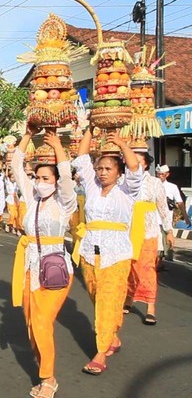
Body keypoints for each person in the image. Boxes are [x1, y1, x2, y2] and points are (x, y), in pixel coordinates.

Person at [71, 128, 143, 375]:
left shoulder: (126, 191)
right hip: (90, 251)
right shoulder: (91, 188)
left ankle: (100, 352)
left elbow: (135, 169)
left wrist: (122, 144)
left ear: (118, 172)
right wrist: (90, 131)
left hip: (116, 254)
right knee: (95, 295)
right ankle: (112, 335)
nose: (102, 173)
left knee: (108, 301)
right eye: (100, 169)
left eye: (108, 169)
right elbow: (81, 160)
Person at [11, 130, 76, 398]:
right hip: (30, 267)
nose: (39, 182)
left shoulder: (64, 202)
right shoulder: (31, 197)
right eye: (37, 177)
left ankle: (48, 379)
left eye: (46, 178)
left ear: (56, 182)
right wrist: (27, 136)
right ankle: (43, 368)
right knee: (30, 323)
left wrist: (58, 147)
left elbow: (67, 176)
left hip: (55, 269)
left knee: (41, 322)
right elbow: (16, 165)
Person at [124, 152, 173, 325]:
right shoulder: (122, 180)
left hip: (147, 230)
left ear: (145, 165)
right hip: (126, 231)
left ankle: (150, 307)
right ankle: (129, 298)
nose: (133, 164)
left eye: (138, 161)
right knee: (128, 268)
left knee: (146, 269)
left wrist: (169, 230)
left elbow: (163, 207)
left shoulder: (154, 183)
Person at [156, 164, 190, 268]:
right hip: (153, 219)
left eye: (162, 174)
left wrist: (186, 217)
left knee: (166, 243)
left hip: (166, 219)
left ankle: (162, 262)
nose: (160, 176)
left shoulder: (172, 187)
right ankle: (156, 264)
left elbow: (180, 202)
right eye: (158, 174)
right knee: (156, 244)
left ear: (167, 175)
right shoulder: (152, 185)